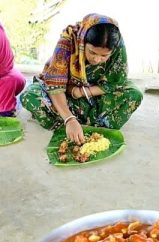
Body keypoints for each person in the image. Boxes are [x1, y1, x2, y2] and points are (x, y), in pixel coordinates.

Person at [20, 13, 143, 144]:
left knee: (134, 94)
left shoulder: (118, 46)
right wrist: (69, 119)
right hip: (65, 96)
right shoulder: (68, 41)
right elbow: (55, 87)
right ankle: (72, 122)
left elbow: (115, 82)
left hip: (96, 94)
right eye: (92, 52)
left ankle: (88, 124)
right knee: (30, 96)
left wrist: (81, 92)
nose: (97, 59)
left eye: (104, 56)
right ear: (83, 42)